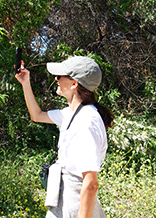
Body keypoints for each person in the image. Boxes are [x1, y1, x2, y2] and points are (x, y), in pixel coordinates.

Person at [15, 56, 114, 218]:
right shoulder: (70, 114)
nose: (56, 79)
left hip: (75, 201)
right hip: (66, 196)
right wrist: (26, 83)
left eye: (60, 76)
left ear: (74, 84)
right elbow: (37, 115)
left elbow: (90, 184)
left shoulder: (86, 121)